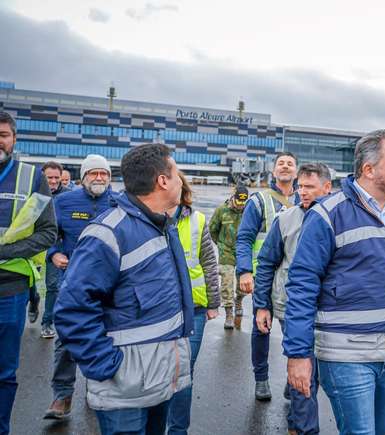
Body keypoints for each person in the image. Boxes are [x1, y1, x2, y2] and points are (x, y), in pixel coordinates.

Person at [283, 129, 385, 435]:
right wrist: (298, 354)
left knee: (382, 429)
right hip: (346, 353)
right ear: (368, 169)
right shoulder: (328, 215)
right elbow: (301, 286)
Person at [55, 143, 194, 435]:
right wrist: (108, 367)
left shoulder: (163, 226)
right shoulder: (109, 233)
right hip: (124, 389)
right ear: (163, 180)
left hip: (159, 380)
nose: (181, 180)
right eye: (177, 173)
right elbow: (72, 309)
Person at [254, 163, 332, 435]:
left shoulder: (338, 219)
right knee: (306, 373)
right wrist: (262, 305)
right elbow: (265, 263)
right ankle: (301, 428)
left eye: (310, 187)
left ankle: (296, 402)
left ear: (327, 187)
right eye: (300, 186)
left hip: (329, 310)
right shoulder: (285, 220)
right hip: (291, 308)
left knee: (316, 373)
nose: (303, 192)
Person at [43, 154, 116, 420]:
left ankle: (98, 390)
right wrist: (54, 253)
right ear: (83, 177)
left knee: (107, 338)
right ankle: (62, 396)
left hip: (109, 287)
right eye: (94, 174)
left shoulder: (119, 204)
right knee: (66, 340)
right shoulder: (63, 202)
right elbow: (50, 233)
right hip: (72, 283)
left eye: (104, 174)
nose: (99, 178)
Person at [0, 111, 56, 435]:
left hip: (10, 289)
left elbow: (48, 231)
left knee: (4, 372)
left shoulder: (30, 177)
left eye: (4, 134)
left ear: (14, 139)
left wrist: (5, 252)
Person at [236, 152, 299, 400]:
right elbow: (245, 238)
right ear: (273, 172)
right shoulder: (259, 201)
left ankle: (292, 378)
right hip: (265, 278)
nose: (285, 166)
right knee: (262, 329)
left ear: (296, 172)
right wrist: (244, 271)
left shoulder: (305, 198)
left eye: (290, 163)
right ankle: (261, 379)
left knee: (297, 332)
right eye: (280, 163)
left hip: (294, 280)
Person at [167, 172, 221, 435]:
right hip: (160, 309)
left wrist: (214, 302)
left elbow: (210, 263)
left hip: (194, 309)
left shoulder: (197, 220)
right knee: (158, 371)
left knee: (183, 373)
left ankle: (177, 430)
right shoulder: (146, 217)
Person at [208, 186, 248, 329]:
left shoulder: (248, 211)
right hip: (226, 251)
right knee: (226, 282)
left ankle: (239, 300)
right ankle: (229, 313)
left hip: (243, 251)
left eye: (243, 202)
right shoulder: (222, 210)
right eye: (238, 202)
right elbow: (212, 230)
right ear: (233, 198)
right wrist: (220, 244)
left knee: (244, 283)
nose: (240, 205)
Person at [39, 161, 71, 339]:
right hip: (32, 246)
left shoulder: (67, 196)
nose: (52, 181)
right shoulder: (33, 192)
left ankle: (47, 322)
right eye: (49, 177)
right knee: (28, 285)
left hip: (54, 248)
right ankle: (34, 300)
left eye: (56, 178)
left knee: (52, 286)